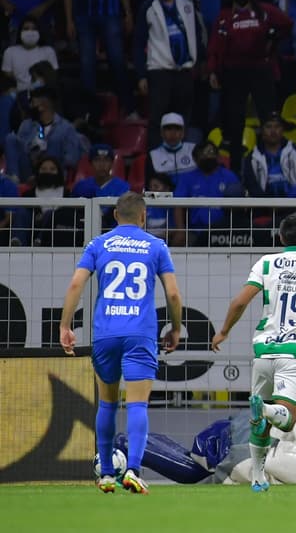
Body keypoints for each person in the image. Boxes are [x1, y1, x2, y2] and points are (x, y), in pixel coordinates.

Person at [59, 192, 183, 494]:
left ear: (115, 216)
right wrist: (176, 328)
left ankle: (106, 473)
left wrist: (65, 324)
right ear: (143, 217)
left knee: (107, 403)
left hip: (105, 333)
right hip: (139, 333)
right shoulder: (156, 246)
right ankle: (133, 469)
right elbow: (173, 294)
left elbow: (76, 283)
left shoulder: (98, 244)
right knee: (138, 403)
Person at [211, 212, 296, 493]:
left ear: (281, 238)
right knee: (286, 417)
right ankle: (268, 409)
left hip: (264, 350)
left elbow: (240, 301)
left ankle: (258, 477)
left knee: (259, 422)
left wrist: (223, 331)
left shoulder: (267, 263)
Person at [208, 0, 293, 173]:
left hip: (260, 70)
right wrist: (213, 71)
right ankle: (237, 169)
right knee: (235, 122)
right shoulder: (224, 17)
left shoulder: (264, 11)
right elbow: (214, 47)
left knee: (268, 118)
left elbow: (287, 24)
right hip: (233, 72)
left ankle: (273, 162)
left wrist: (276, 35)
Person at [138, 0, 203, 148]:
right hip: (159, 71)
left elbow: (196, 35)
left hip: (184, 70)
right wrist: (142, 75)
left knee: (183, 118)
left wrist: (200, 61)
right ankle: (156, 163)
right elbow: (139, 42)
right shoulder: (147, 7)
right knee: (158, 119)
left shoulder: (187, 5)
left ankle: (183, 159)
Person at [4, 86, 84, 181]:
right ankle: (14, 181)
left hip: (54, 174)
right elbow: (20, 151)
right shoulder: (27, 124)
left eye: (33, 103)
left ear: (42, 106)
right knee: (11, 138)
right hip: (29, 172)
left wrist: (47, 162)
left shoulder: (66, 128)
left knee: (54, 141)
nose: (30, 106)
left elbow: (72, 158)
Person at [242, 112, 296, 199]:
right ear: (262, 130)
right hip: (263, 207)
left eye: (277, 126)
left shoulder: (295, 151)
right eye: (268, 127)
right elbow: (251, 185)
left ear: (282, 130)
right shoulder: (252, 157)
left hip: (293, 205)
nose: (273, 131)